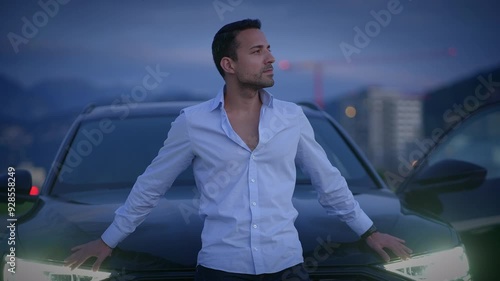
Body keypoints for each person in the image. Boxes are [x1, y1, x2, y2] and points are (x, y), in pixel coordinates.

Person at [65, 18, 412, 280]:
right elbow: (151, 186)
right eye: (257, 51)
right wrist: (108, 240)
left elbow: (329, 181)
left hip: (287, 266)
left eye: (269, 49)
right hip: (220, 269)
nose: (271, 58)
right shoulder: (193, 122)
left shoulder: (292, 118)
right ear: (228, 65)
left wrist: (370, 231)